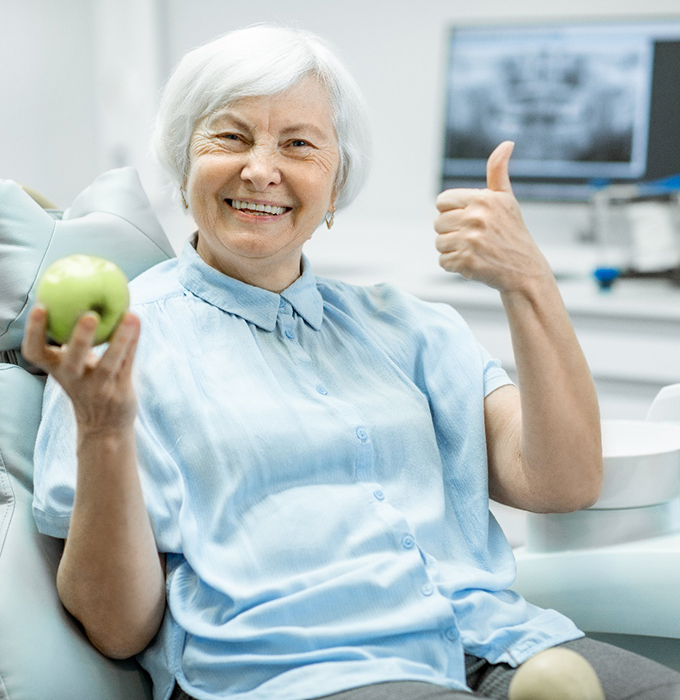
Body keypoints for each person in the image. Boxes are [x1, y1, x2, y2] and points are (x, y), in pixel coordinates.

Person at [23, 24, 680, 700]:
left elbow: (563, 482)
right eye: (231, 136)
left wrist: (528, 282)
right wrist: (102, 428)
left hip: (498, 643)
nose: (261, 169)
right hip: (304, 675)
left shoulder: (409, 327)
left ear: (335, 185)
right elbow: (118, 629)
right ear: (183, 162)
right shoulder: (119, 349)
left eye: (299, 144)